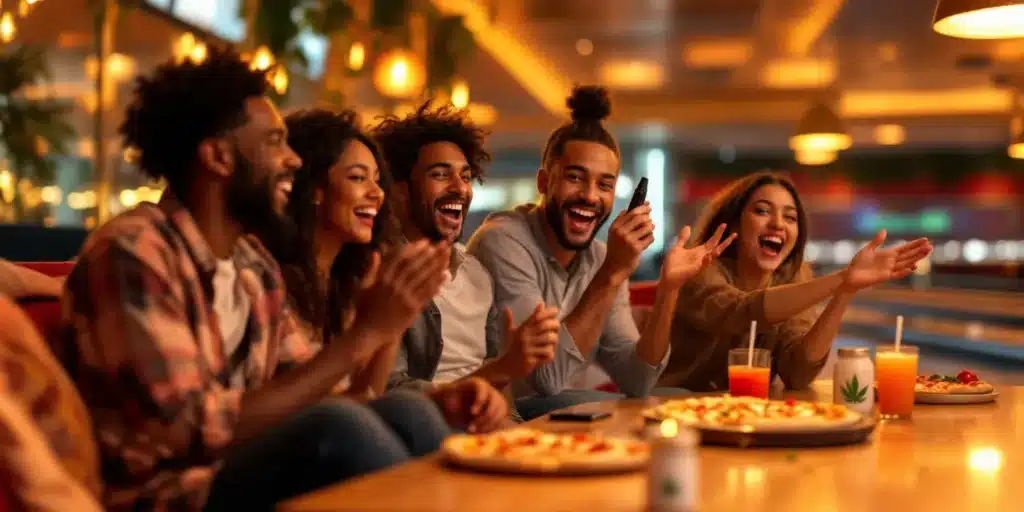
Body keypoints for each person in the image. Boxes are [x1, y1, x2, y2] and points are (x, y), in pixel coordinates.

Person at [59, 48, 494, 512]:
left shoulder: (252, 267)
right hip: (167, 496)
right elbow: (188, 428)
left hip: (236, 470)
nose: (292, 161)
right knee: (339, 429)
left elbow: (321, 394)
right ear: (218, 157)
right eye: (273, 142)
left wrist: (410, 357)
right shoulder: (135, 251)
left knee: (406, 410)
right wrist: (366, 334)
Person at [467, 86, 734, 420]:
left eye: (605, 185)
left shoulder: (600, 257)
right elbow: (546, 380)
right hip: (509, 409)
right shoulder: (503, 242)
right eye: (575, 178)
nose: (590, 196)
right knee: (626, 409)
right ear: (544, 182)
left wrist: (669, 289)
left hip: (565, 406)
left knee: (680, 400)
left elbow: (638, 381)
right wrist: (611, 274)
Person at [267, 106, 509, 423]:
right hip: (283, 439)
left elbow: (364, 397)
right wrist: (374, 329)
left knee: (405, 410)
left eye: (378, 180)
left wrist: (389, 329)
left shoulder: (347, 277)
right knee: (405, 409)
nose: (377, 193)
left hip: (345, 429)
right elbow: (331, 412)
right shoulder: (269, 276)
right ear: (314, 189)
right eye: (358, 178)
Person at [658, 171, 933, 392]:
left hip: (744, 415)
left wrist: (846, 291)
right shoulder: (700, 270)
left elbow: (798, 373)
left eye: (790, 217)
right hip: (675, 408)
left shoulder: (793, 280)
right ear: (735, 224)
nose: (778, 224)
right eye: (762, 211)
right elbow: (740, 311)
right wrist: (841, 278)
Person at [373, 102, 560, 402]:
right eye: (440, 175)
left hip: (488, 415)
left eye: (465, 176)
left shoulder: (477, 273)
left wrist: (510, 420)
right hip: (426, 419)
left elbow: (500, 384)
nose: (460, 188)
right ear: (400, 191)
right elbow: (393, 394)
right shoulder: (382, 272)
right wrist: (502, 370)